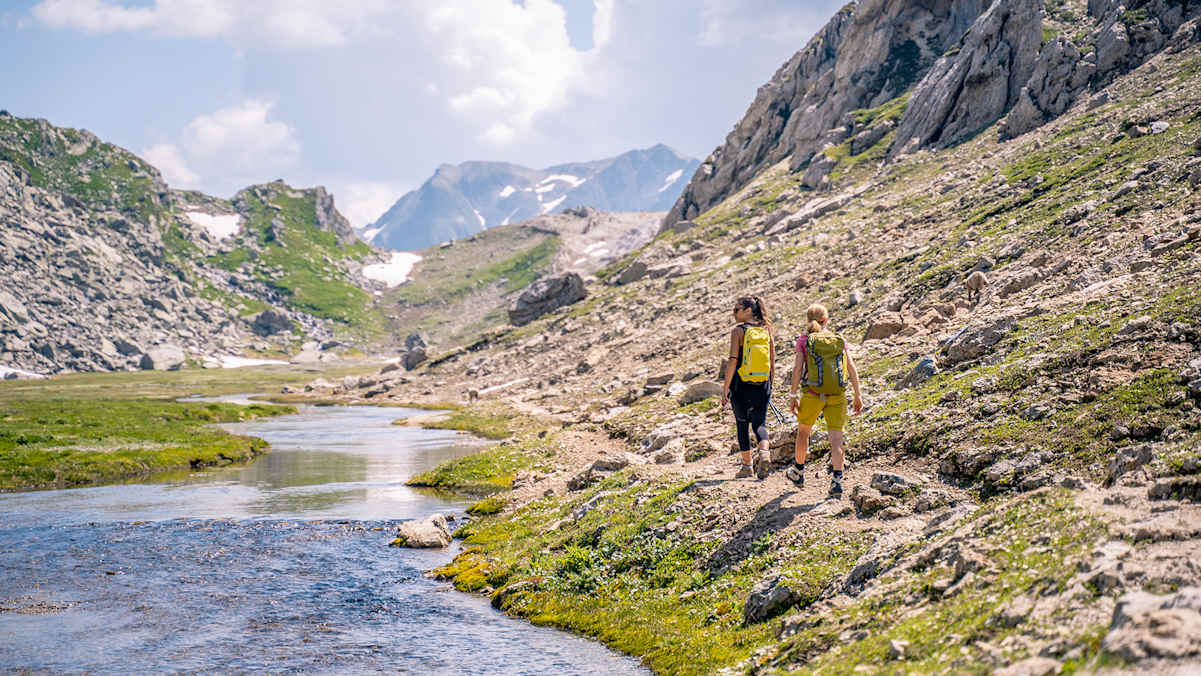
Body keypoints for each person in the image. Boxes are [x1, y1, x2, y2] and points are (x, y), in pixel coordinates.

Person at [787, 303, 862, 497]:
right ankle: (837, 481)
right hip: (837, 395)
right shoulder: (838, 339)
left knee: (803, 432)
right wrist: (857, 394)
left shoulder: (804, 340)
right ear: (826, 320)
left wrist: (793, 395)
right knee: (836, 438)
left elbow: (797, 369)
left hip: (812, 394)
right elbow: (851, 366)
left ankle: (799, 471)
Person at [721, 296, 775, 479]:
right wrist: (770, 385)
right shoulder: (766, 330)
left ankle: (747, 466)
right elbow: (772, 362)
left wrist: (725, 388)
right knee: (759, 423)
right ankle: (765, 453)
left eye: (737, 310)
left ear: (748, 311)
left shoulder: (738, 331)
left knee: (742, 424)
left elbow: (732, 361)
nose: (733, 313)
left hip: (741, 385)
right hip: (763, 384)